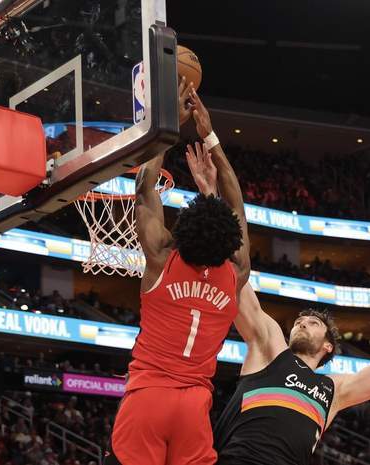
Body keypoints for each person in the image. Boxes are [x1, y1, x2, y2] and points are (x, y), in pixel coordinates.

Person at [106, 81, 251, 465]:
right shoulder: (236, 273)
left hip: (148, 398)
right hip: (193, 408)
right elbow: (237, 204)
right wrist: (211, 137)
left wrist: (168, 126)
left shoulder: (162, 258)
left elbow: (144, 189)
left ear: (181, 229)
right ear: (230, 241)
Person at [212, 261, 370, 465]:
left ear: (328, 346)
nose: (302, 323)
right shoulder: (270, 351)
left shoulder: (334, 390)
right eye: (299, 322)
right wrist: (222, 226)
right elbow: (240, 284)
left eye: (313, 323)